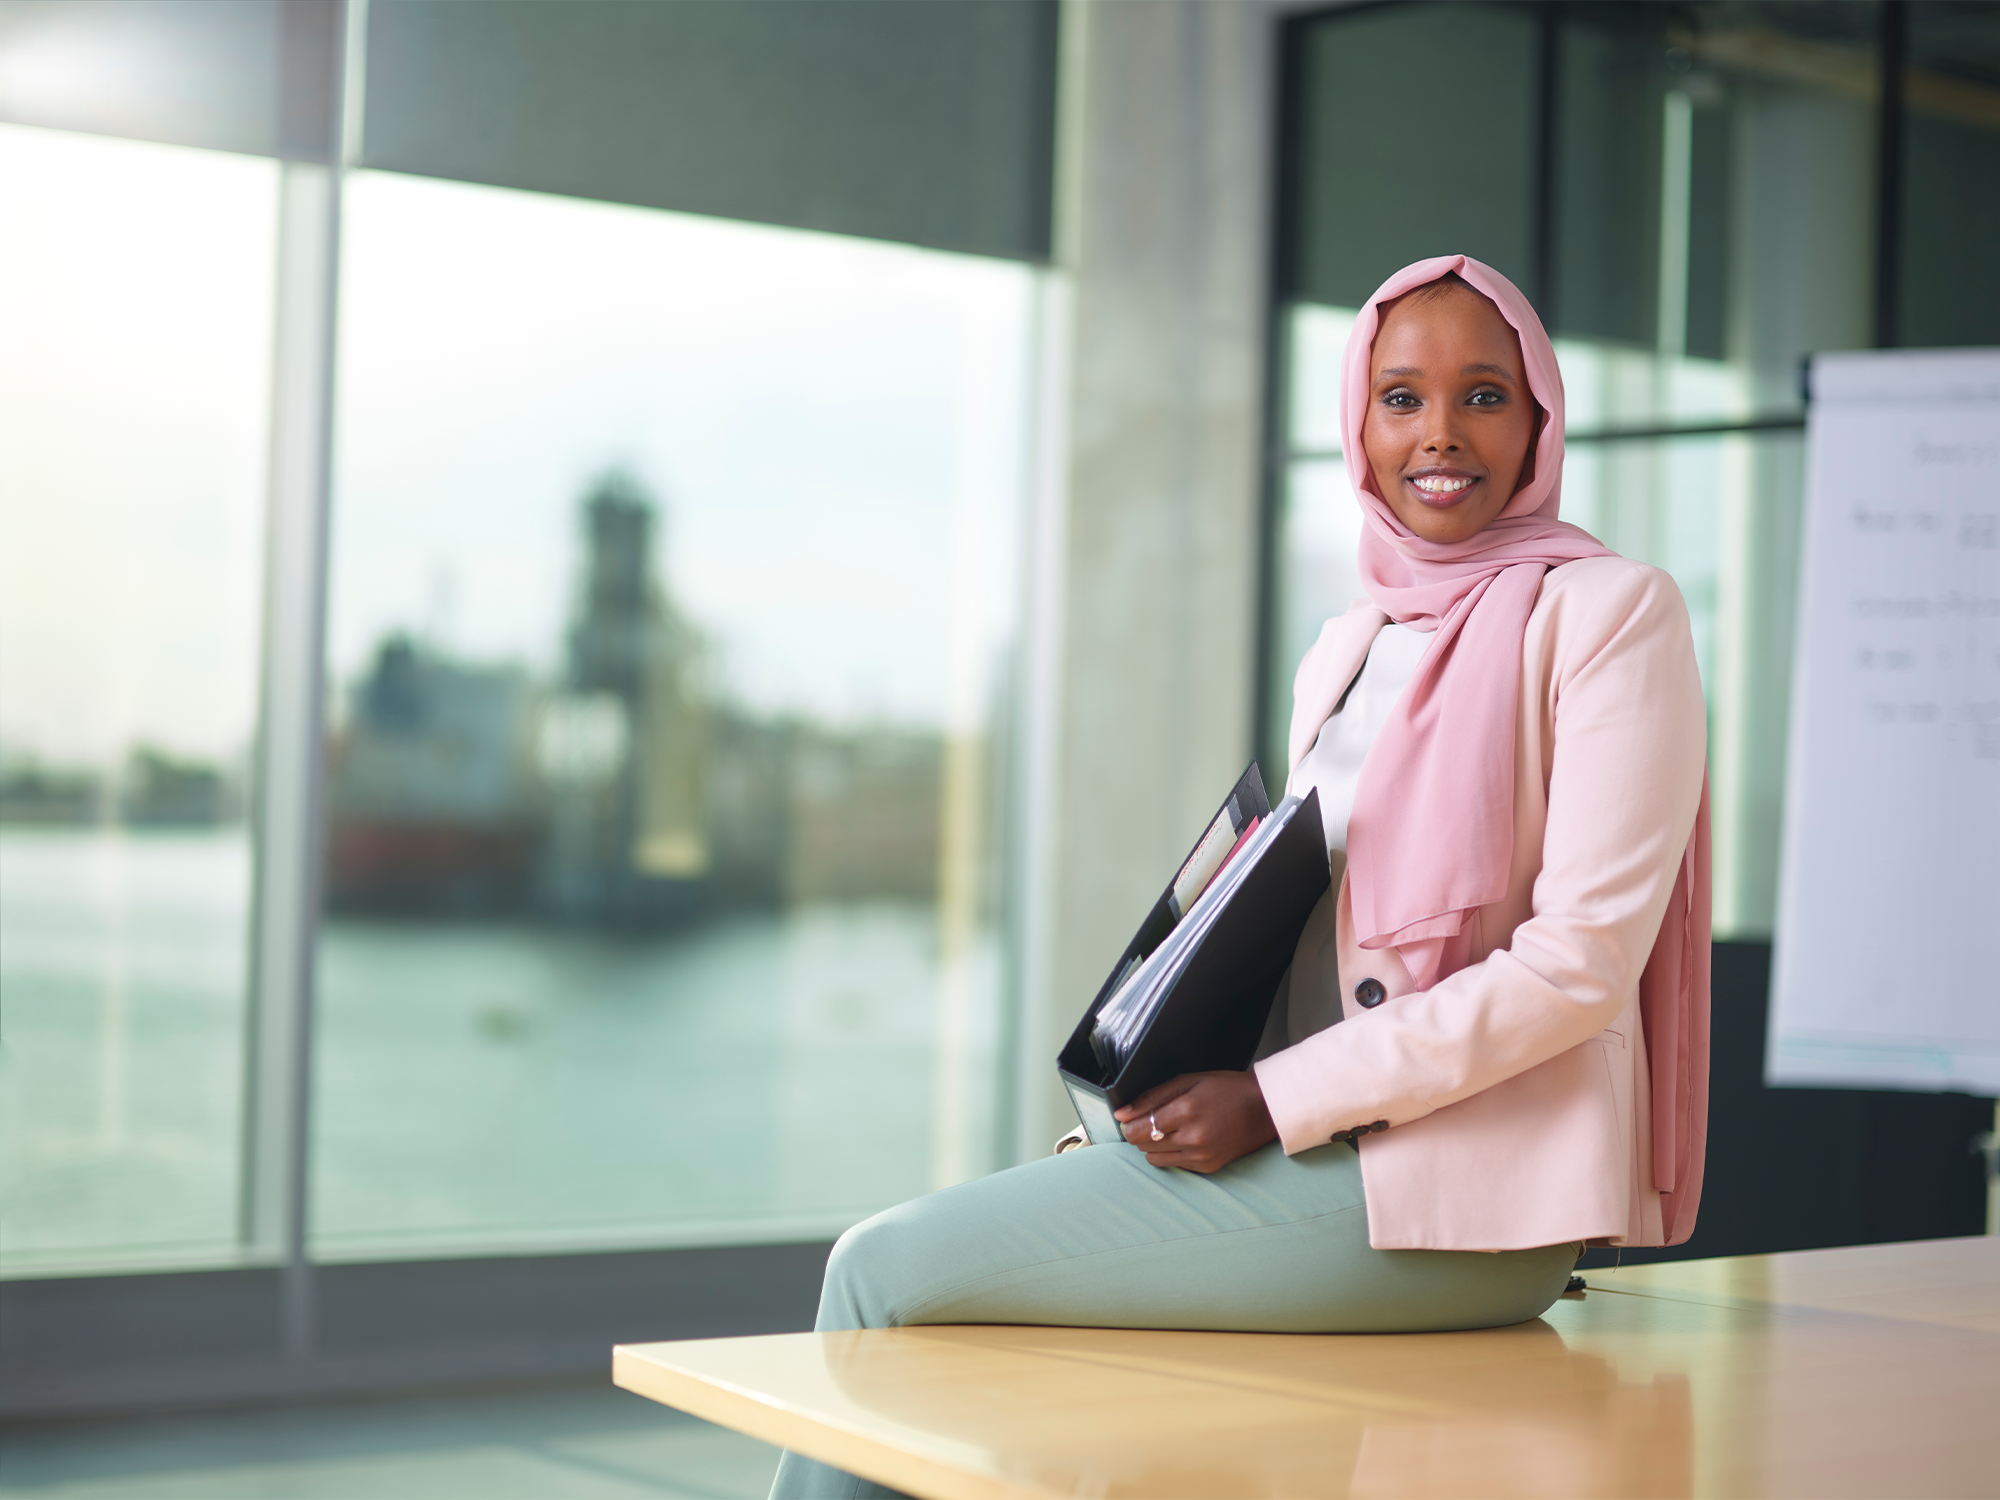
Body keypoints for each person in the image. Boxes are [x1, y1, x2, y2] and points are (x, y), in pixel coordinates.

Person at [766, 255, 1711, 1500]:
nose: (1438, 434)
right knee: (968, 1325)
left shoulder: (1607, 613)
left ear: (1538, 418)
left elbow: (1576, 969)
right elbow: (1302, 945)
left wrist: (1267, 1103)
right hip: (1323, 1153)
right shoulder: (1350, 643)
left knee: (879, 1274)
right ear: (1355, 425)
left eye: (1483, 396)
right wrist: (1140, 1115)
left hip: (1462, 1200)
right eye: (1399, 398)